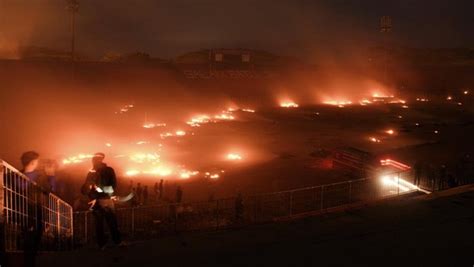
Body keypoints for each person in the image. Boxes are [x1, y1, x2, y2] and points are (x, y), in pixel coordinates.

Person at [81, 152, 122, 249]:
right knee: (106, 224)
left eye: (94, 160)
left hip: (102, 201)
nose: (93, 162)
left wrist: (98, 189)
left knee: (105, 224)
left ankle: (108, 243)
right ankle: (111, 243)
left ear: (99, 160)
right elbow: (85, 190)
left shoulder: (105, 171)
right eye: (93, 160)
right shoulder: (93, 172)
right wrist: (90, 187)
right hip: (101, 201)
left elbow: (112, 187)